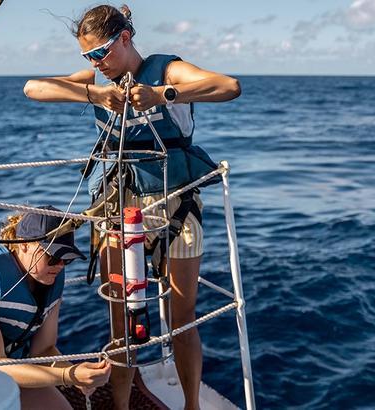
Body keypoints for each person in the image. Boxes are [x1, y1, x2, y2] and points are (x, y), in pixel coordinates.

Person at [23, 4, 241, 409]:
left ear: (125, 38)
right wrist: (94, 93)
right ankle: (120, 407)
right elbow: (33, 88)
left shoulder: (167, 70)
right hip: (116, 211)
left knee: (182, 318)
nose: (95, 63)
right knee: (121, 319)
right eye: (87, 57)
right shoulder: (96, 80)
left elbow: (227, 86)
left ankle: (191, 404)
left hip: (175, 208)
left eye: (100, 52)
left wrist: (161, 94)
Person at [0, 207, 111, 409]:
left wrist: (76, 373)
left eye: (66, 259)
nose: (60, 266)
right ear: (23, 244)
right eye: (53, 256)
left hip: (9, 364)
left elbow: (43, 349)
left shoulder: (51, 276)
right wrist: (67, 376)